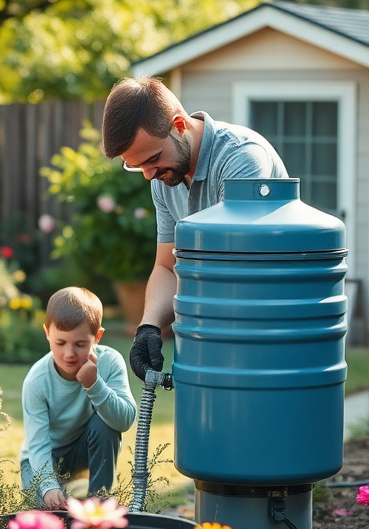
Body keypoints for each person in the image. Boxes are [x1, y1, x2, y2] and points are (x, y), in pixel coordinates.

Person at [100, 76, 288, 380]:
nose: (148, 176)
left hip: (270, 332)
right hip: (218, 324)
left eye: (152, 159)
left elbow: (229, 265)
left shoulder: (242, 159)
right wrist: (148, 326)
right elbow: (167, 265)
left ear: (178, 125)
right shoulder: (165, 177)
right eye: (136, 167)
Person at [19, 287, 137, 509]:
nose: (69, 353)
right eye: (60, 343)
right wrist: (48, 485)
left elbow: (125, 420)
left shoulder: (110, 362)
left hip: (83, 448)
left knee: (105, 423)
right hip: (44, 456)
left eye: (80, 344)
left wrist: (94, 384)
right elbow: (38, 443)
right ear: (47, 333)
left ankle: (99, 504)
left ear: (97, 337)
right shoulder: (37, 380)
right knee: (43, 512)